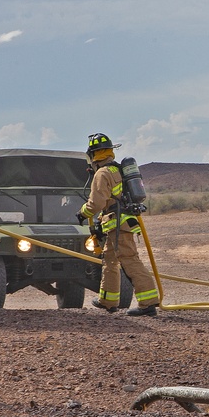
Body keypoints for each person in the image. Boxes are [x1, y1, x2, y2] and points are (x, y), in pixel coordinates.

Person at [78, 133, 160, 317]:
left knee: (130, 261)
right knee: (109, 261)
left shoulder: (102, 173)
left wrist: (82, 212)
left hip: (119, 226)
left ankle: (148, 303)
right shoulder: (116, 170)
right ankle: (107, 300)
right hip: (118, 224)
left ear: (93, 154)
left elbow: (96, 203)